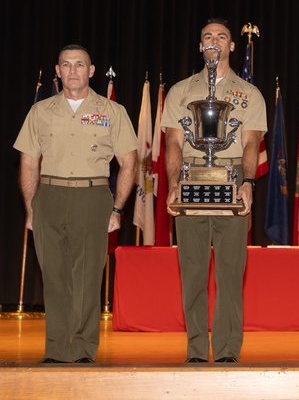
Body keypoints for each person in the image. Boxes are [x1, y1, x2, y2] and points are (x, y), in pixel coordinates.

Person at [14, 44, 138, 363]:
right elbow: (29, 162)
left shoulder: (114, 112)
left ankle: (83, 349)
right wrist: (31, 208)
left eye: (79, 65)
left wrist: (117, 208)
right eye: (66, 65)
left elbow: (129, 162)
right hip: (49, 196)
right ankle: (56, 349)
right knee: (53, 277)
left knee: (86, 276)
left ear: (91, 70)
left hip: (92, 196)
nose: (72, 71)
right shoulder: (40, 112)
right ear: (57, 71)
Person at [163, 18, 267, 363]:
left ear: (231, 46)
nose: (214, 41)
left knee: (230, 271)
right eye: (207, 36)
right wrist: (175, 182)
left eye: (222, 37)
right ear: (200, 45)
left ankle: (225, 351)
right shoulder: (181, 91)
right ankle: (195, 349)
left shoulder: (249, 93)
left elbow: (251, 142)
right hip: (192, 175)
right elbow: (174, 142)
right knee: (192, 270)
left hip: (232, 176)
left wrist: (248, 182)